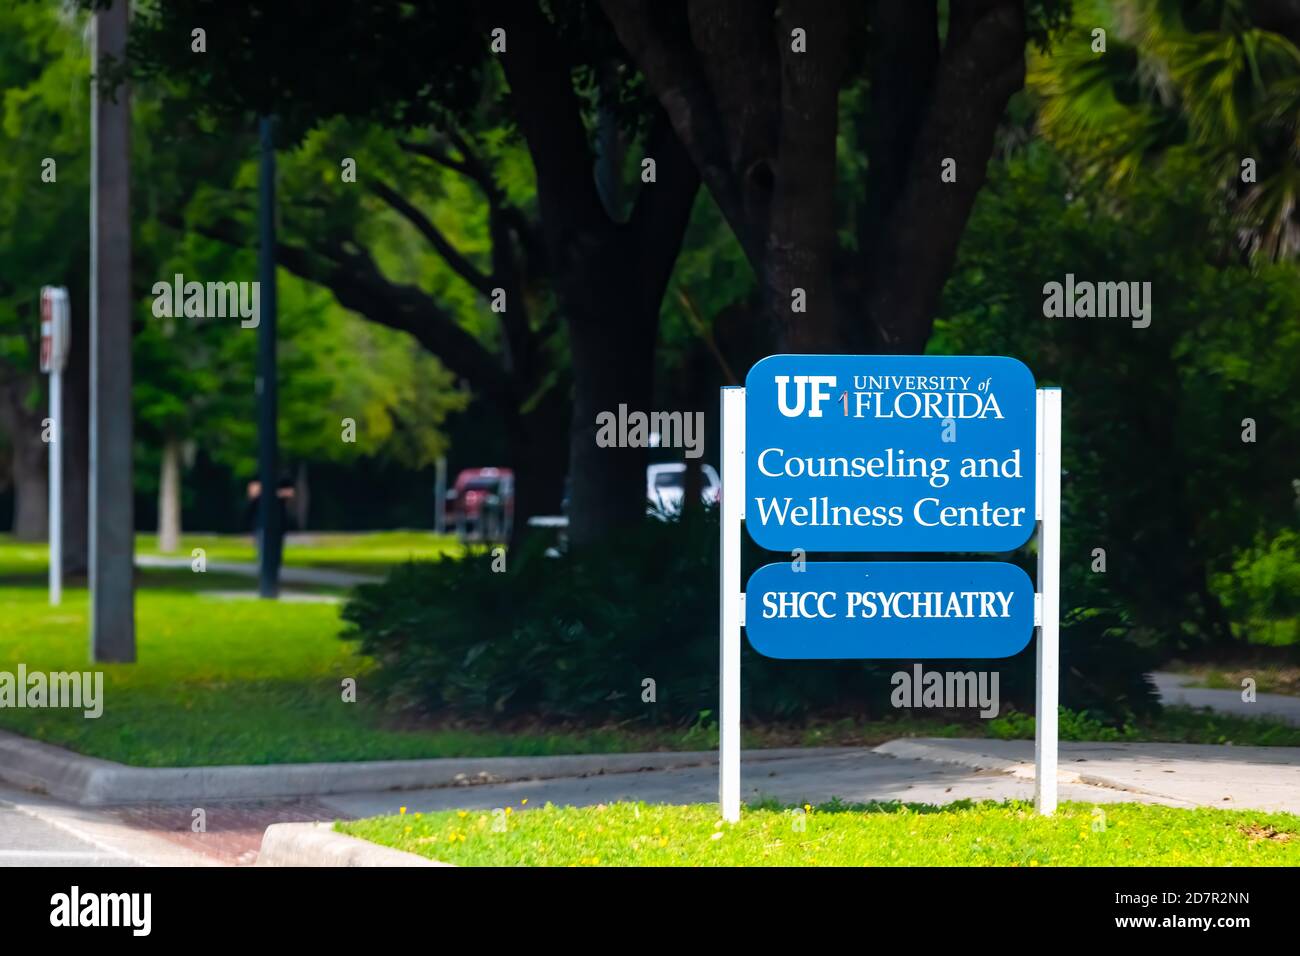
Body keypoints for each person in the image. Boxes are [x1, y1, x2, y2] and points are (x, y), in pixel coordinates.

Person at [245, 476, 296, 565]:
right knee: (262, 543)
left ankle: (275, 563)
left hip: (279, 519)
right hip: (261, 519)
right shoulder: (259, 476)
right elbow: (252, 493)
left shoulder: (283, 479)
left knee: (276, 544)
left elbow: (290, 493)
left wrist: (268, 493)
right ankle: (264, 564)